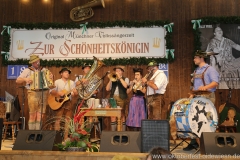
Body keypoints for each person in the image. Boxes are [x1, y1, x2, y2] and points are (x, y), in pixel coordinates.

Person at [183, 50, 219, 151]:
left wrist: (206, 87)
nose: (194, 59)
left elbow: (215, 82)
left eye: (195, 58)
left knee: (206, 121)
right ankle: (195, 142)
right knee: (194, 120)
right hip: (197, 97)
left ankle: (209, 144)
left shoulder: (210, 69)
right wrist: (192, 94)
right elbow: (195, 86)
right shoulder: (196, 71)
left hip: (207, 97)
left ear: (201, 58)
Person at [16, 54, 53, 130]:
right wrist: (25, 79)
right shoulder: (28, 70)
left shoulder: (44, 70)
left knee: (41, 115)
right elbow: (18, 80)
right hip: (32, 93)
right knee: (33, 114)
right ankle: (32, 133)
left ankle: (38, 133)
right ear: (32, 63)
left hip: (43, 93)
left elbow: (50, 81)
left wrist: (51, 77)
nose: (37, 63)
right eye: (35, 62)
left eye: (37, 61)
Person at [49, 68, 78, 140]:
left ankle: (65, 137)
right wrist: (58, 93)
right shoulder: (57, 82)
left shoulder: (71, 82)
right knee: (58, 119)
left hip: (68, 102)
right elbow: (51, 91)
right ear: (61, 73)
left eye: (68, 72)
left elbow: (75, 94)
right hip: (58, 103)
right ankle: (56, 138)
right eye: (65, 72)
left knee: (67, 120)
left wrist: (75, 93)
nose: (67, 73)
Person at [106, 65, 129, 131]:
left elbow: (125, 86)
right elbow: (107, 89)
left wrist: (120, 78)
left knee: (122, 114)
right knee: (113, 115)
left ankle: (122, 132)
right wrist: (110, 80)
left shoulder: (125, 78)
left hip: (121, 98)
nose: (117, 72)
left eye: (119, 71)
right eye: (116, 71)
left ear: (122, 72)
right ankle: (113, 133)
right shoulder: (113, 79)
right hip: (113, 98)